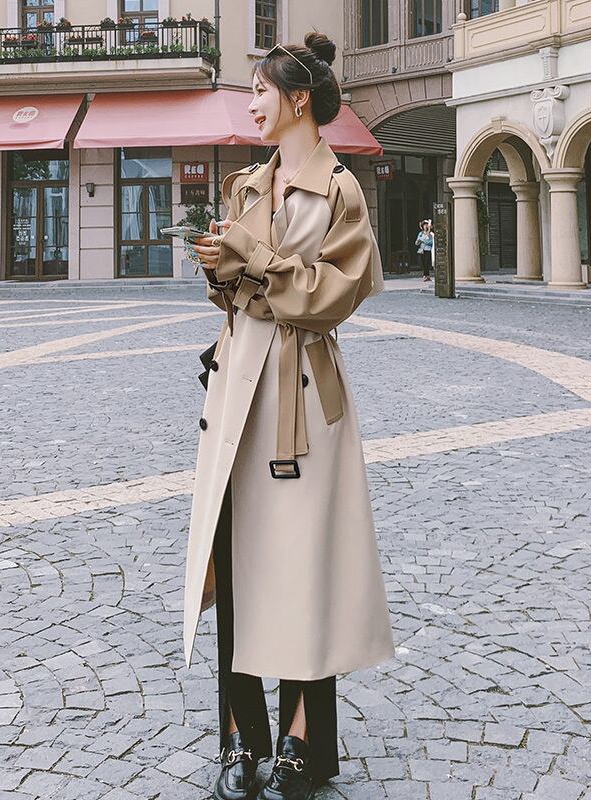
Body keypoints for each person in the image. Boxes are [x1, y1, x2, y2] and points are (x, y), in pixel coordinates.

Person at [184, 31, 395, 800]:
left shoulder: (341, 191)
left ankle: (306, 740)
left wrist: (255, 260)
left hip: (304, 396)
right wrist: (221, 269)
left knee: (304, 566)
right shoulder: (245, 185)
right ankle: (241, 737)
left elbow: (336, 295)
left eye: (259, 92)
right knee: (235, 559)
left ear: (297, 99)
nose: (250, 104)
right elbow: (239, 293)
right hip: (237, 385)